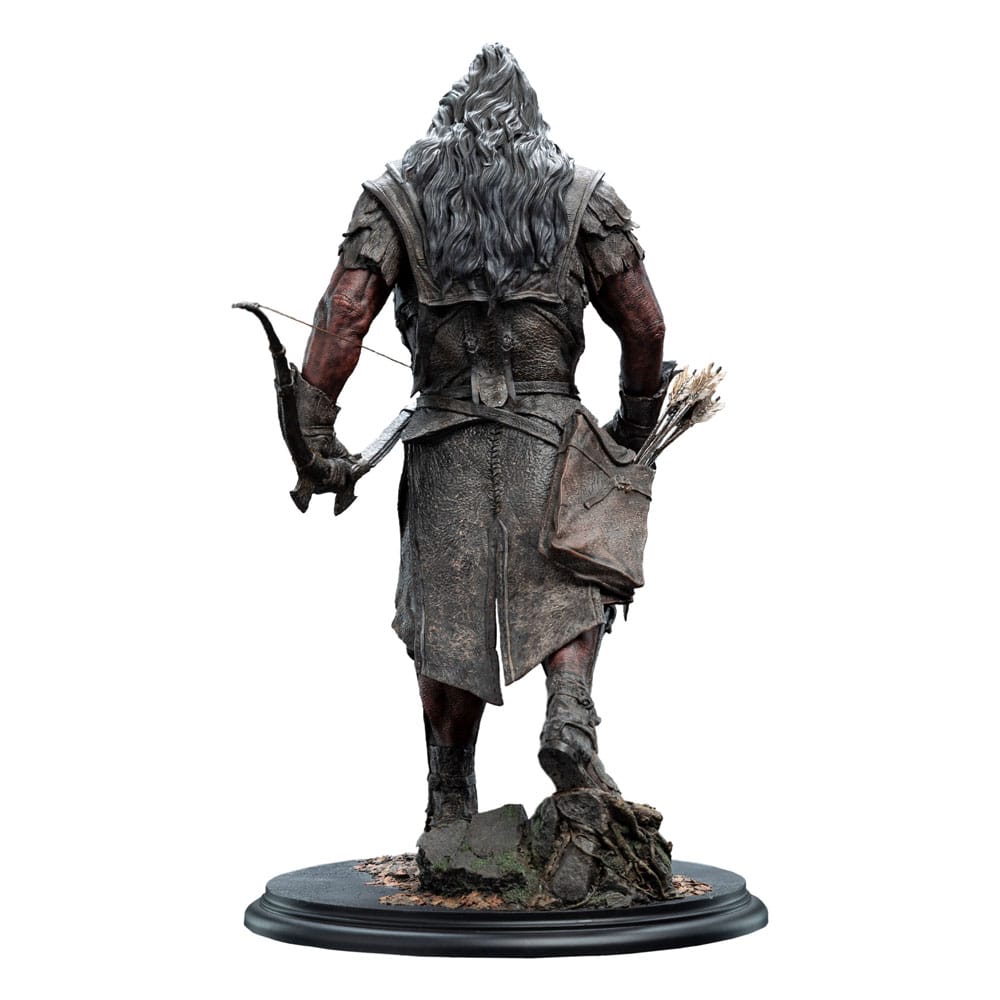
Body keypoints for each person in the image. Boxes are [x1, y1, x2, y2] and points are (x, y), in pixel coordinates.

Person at [294, 44, 668, 830]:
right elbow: (645, 323)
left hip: (446, 441)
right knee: (574, 574)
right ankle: (569, 711)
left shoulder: (397, 195)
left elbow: (346, 311)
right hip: (550, 438)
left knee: (447, 622)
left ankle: (449, 795)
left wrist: (315, 427)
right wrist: (634, 424)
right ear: (533, 123)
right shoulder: (582, 194)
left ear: (447, 124)